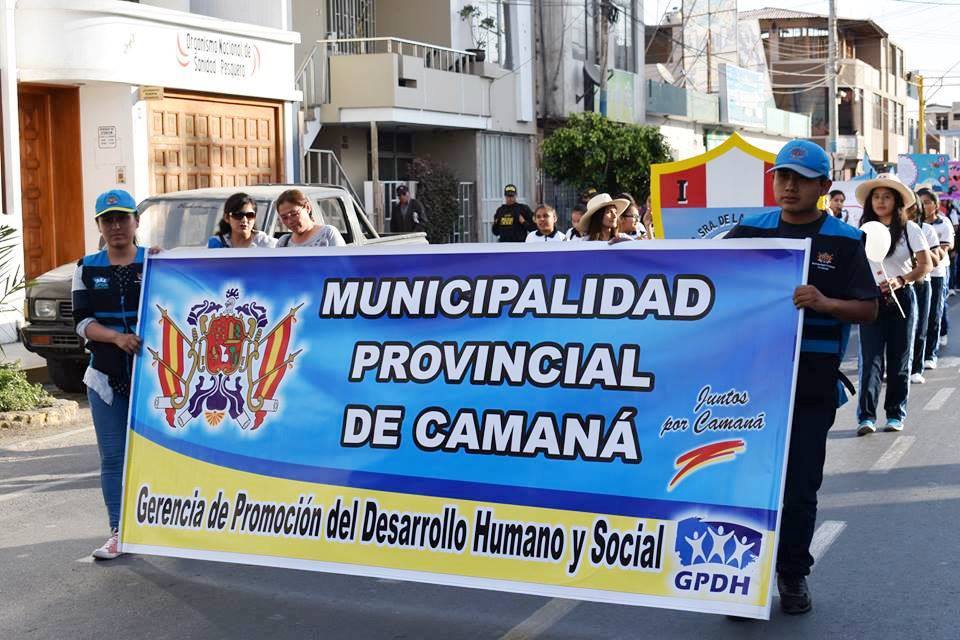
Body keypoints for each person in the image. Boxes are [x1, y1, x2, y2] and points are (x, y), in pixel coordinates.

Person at [725, 140, 878, 616]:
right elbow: (704, 275)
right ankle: (739, 577)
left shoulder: (845, 240)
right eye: (782, 177)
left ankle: (792, 575)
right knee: (742, 480)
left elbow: (869, 309)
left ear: (824, 186)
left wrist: (825, 303)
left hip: (811, 382)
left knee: (799, 486)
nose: (789, 186)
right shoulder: (749, 230)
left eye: (801, 179)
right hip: (749, 383)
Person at [72, 190, 147, 560]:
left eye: (122, 218)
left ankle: (171, 531)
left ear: (135, 221)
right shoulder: (85, 267)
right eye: (108, 219)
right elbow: (81, 322)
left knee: (165, 455)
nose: (116, 226)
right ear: (99, 225)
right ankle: (119, 531)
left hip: (155, 381)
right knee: (114, 457)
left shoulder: (156, 261)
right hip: (105, 379)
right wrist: (116, 338)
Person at [855, 175, 932, 436]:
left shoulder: (911, 230)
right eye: (876, 197)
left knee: (900, 359)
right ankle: (866, 417)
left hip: (903, 300)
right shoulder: (862, 229)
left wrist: (901, 280)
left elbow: (925, 265)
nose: (880, 201)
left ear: (897, 201)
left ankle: (895, 414)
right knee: (870, 360)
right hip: (871, 301)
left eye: (886, 197)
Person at [909, 194, 941, 385]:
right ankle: (896, 367)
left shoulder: (926, 230)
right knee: (898, 329)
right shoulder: (893, 229)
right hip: (900, 283)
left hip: (922, 282)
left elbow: (936, 260)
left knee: (920, 325)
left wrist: (920, 245)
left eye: (913, 206)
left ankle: (916, 369)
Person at [275, 189, 346, 247]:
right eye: (284, 217)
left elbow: (341, 260)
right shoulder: (283, 243)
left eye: (294, 214)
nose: (290, 221)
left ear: (307, 208)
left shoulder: (327, 234)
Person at [207, 192, 277, 248]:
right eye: (238, 215)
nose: (244, 220)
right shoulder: (215, 245)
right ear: (226, 218)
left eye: (250, 215)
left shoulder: (267, 244)